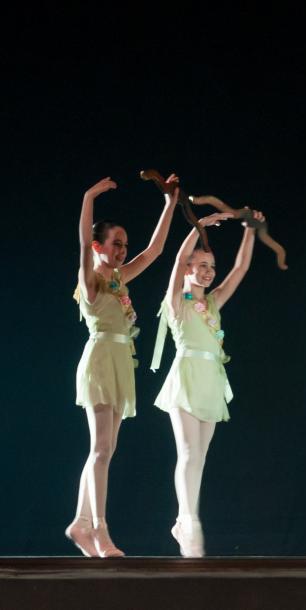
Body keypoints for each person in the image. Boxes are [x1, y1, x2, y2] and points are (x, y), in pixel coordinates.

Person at [67, 175, 178, 557]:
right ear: (100, 246)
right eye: (116, 244)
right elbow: (83, 243)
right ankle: (99, 529)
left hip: (120, 363)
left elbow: (154, 252)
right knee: (100, 449)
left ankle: (80, 523)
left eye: (124, 245)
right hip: (99, 361)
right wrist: (89, 196)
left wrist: (169, 204)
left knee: (105, 450)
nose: (122, 251)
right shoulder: (93, 279)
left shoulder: (119, 278)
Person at [151, 209, 262, 557]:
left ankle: (186, 520)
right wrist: (198, 227)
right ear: (187, 269)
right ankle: (188, 518)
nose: (208, 272)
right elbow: (178, 258)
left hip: (212, 380)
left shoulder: (213, 303)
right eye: (201, 265)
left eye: (211, 266)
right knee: (187, 452)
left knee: (199, 457)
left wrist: (250, 231)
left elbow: (241, 269)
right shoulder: (176, 302)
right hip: (186, 376)